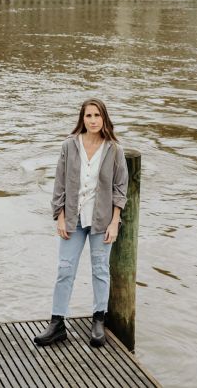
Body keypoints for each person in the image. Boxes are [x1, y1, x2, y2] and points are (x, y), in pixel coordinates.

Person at [34, 98, 129, 348]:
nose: (93, 120)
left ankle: (98, 320)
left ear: (104, 118)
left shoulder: (114, 149)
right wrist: (60, 216)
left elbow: (120, 188)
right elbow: (60, 183)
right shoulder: (69, 146)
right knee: (65, 269)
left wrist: (115, 222)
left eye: (97, 115)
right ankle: (57, 323)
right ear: (82, 119)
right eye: (89, 116)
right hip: (73, 219)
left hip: (102, 221)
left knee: (100, 270)